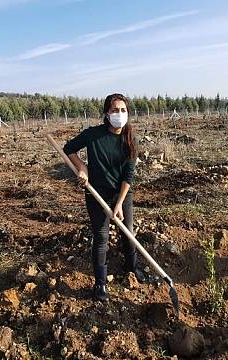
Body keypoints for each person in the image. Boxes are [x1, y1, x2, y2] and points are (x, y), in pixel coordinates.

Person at [63, 93, 144, 301]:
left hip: (122, 194)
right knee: (101, 237)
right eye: (115, 110)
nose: (119, 114)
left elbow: (129, 175)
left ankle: (132, 268)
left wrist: (118, 204)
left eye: (123, 110)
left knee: (128, 232)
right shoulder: (93, 135)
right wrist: (83, 168)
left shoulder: (130, 139)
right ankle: (100, 283)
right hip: (96, 193)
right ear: (107, 114)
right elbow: (68, 149)